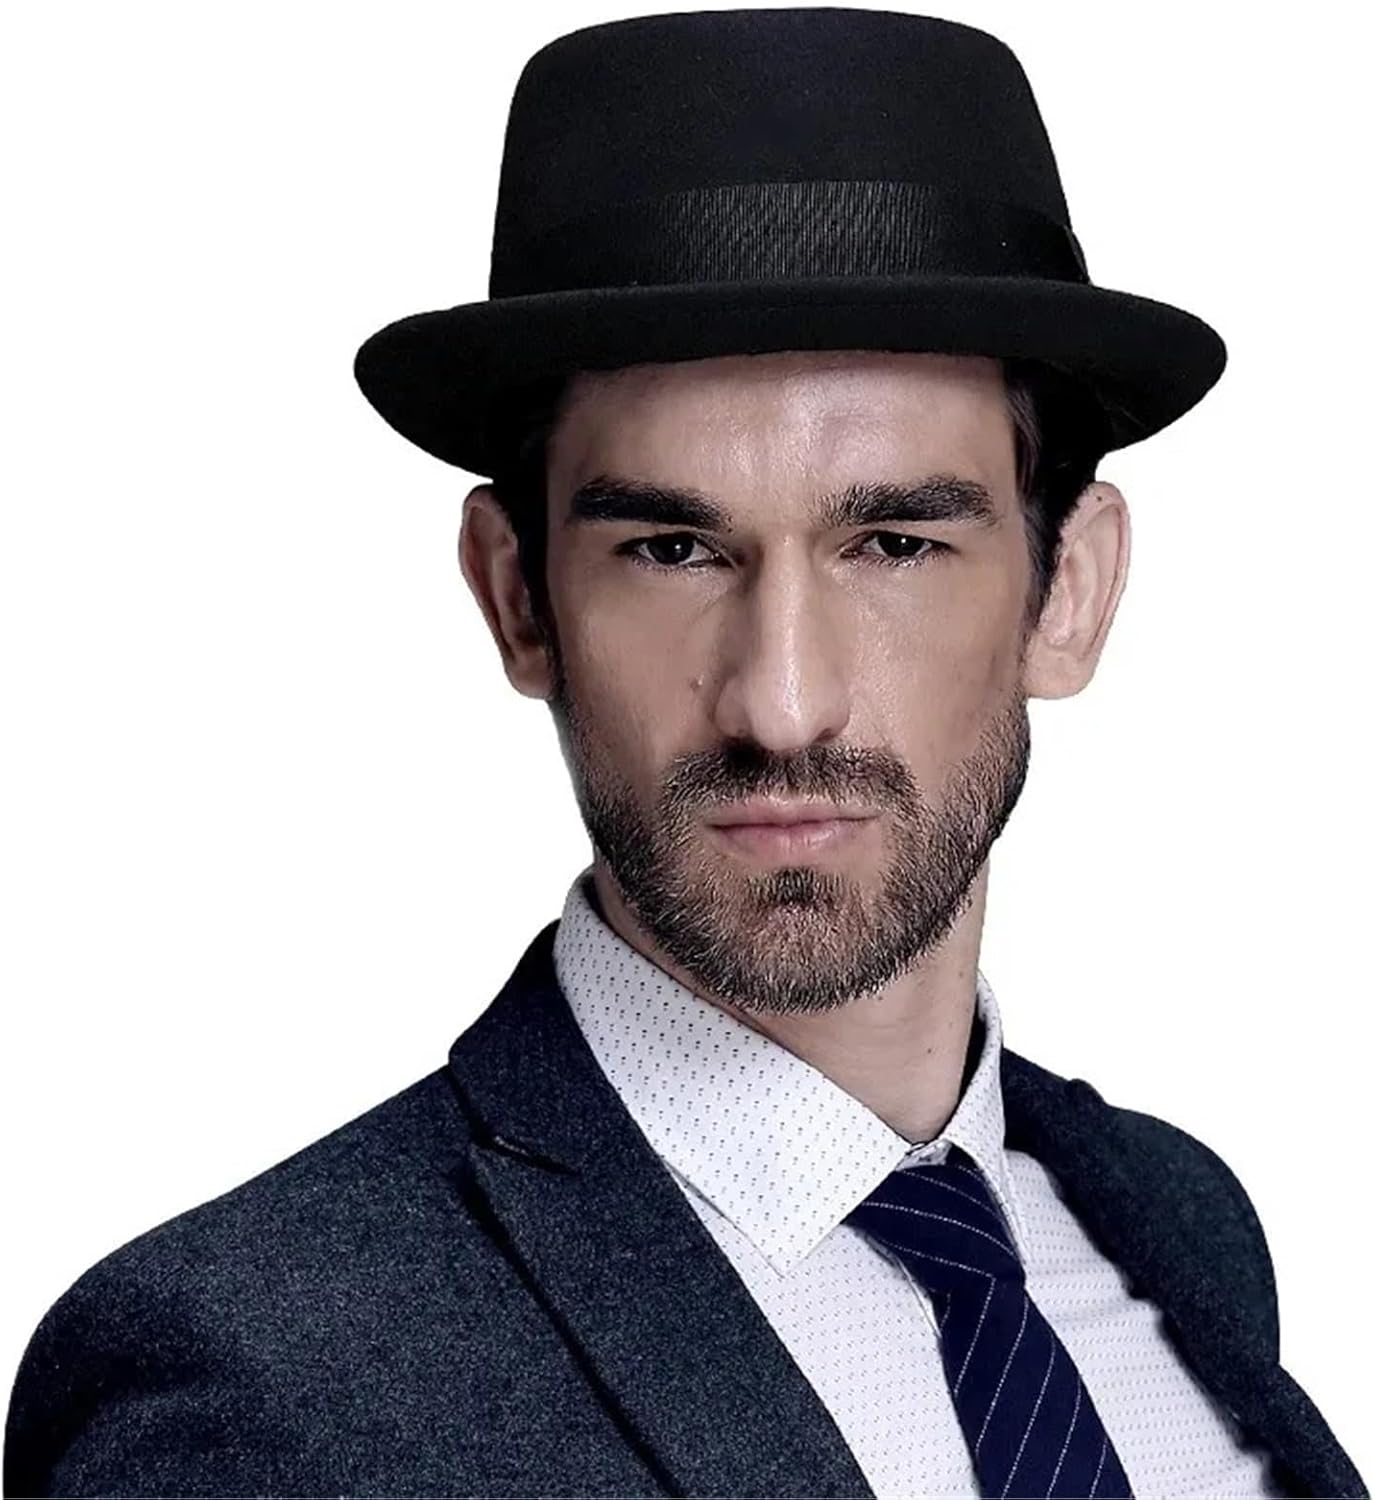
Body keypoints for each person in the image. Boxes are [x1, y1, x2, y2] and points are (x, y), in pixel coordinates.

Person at [3, 9, 1366, 1498]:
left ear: (1071, 593)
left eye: (895, 544)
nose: (780, 704)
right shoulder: (258, 1382)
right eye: (670, 548)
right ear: (518, 598)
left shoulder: (1178, 1224)